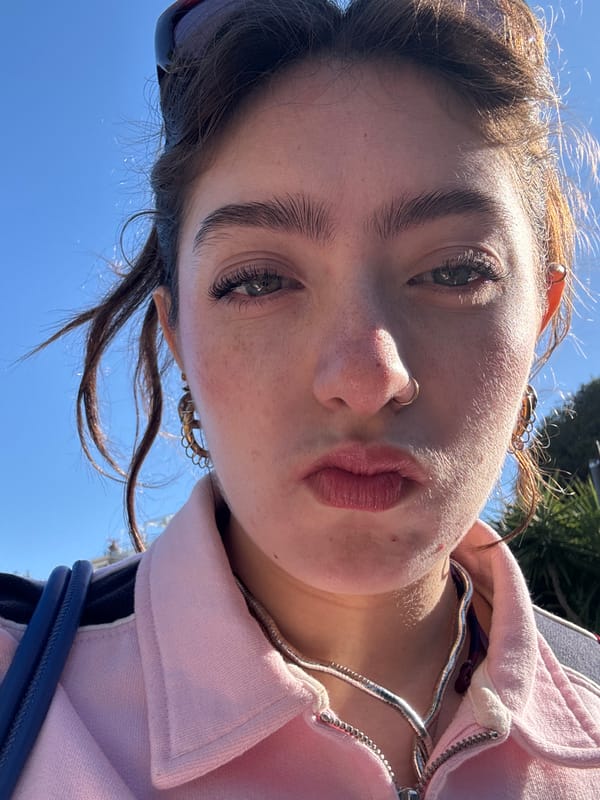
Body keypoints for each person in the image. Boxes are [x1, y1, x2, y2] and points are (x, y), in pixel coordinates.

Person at [1, 0, 599, 797]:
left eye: (456, 271)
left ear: (540, 316)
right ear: (178, 335)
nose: (364, 378)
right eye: (258, 281)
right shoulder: (21, 696)